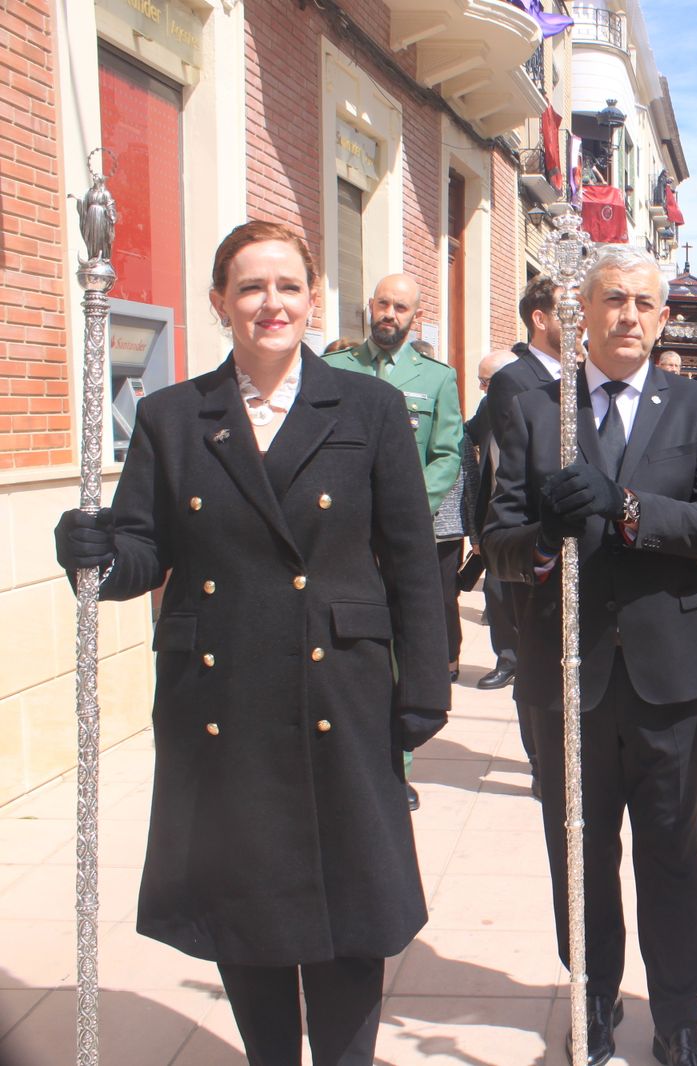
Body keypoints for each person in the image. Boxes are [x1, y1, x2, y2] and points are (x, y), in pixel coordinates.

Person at [52, 220, 449, 1065]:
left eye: (288, 286)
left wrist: (423, 687)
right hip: (220, 693)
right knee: (245, 909)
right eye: (251, 287)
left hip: (339, 688)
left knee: (352, 909)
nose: (272, 303)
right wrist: (96, 555)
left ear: (313, 298)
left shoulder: (369, 409)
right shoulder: (172, 416)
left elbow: (412, 559)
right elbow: (145, 548)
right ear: (220, 302)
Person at [481, 243, 697, 1066]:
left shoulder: (696, 407)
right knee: (581, 847)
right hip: (568, 668)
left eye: (644, 302)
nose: (629, 315)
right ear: (580, 312)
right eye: (614, 299)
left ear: (662, 319)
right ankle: (593, 1000)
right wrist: (545, 539)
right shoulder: (533, 407)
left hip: (668, 668)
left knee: (672, 848)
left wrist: (626, 507)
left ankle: (679, 1017)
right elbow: (498, 541)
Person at [325, 273, 462, 810]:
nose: (390, 314)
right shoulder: (334, 369)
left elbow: (447, 454)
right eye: (383, 303)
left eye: (401, 307)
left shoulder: (437, 378)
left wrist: (405, 511)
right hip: (340, 535)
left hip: (402, 541)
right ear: (370, 306)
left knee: (401, 648)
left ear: (416, 317)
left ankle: (395, 767)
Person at [485, 275, 570, 795]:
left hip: (577, 539)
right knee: (533, 653)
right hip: (533, 537)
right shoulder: (514, 380)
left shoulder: (582, 373)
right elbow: (514, 469)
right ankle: (541, 760)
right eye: (567, 310)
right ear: (540, 318)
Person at [467, 349, 520, 691]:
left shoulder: (545, 401)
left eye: (486, 382)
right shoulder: (487, 408)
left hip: (536, 516)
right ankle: (508, 660)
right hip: (497, 513)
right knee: (496, 590)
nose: (482, 389)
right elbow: (465, 435)